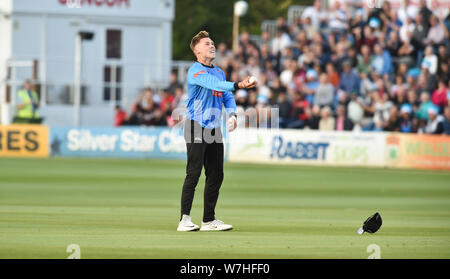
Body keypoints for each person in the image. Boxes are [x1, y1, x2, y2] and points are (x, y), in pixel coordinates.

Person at [178, 31, 256, 232]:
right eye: (206, 44)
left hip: (213, 128)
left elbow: (226, 95)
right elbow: (216, 86)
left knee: (216, 174)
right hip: (196, 125)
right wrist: (239, 84)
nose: (211, 46)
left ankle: (208, 220)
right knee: (193, 173)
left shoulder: (219, 72)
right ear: (197, 51)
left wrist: (232, 115)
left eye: (212, 42)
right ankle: (184, 219)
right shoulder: (195, 71)